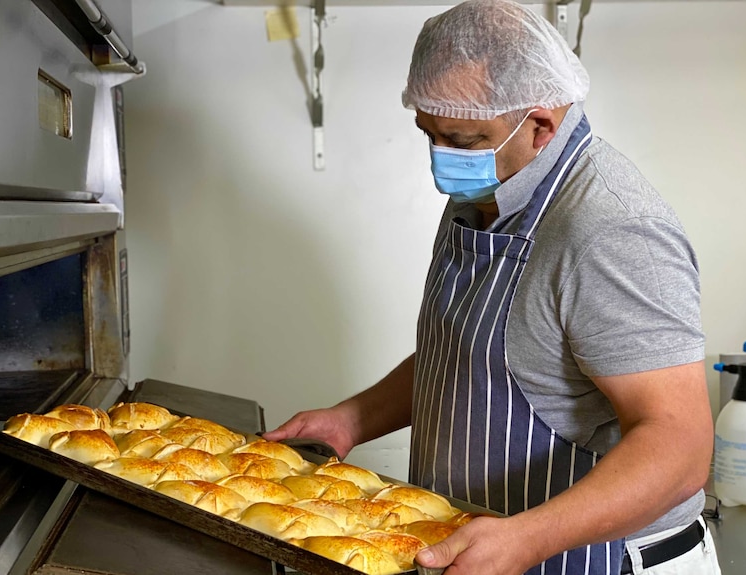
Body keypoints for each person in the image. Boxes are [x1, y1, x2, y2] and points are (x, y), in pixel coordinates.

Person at [264, 1, 722, 573]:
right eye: (429, 134)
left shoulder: (612, 228)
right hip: (483, 548)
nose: (441, 159)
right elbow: (478, 356)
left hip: (595, 560)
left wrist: (529, 538)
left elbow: (680, 451)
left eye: (462, 138)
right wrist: (352, 419)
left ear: (541, 123)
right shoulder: (488, 191)